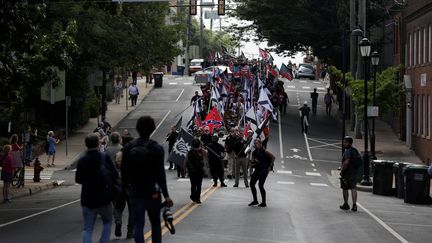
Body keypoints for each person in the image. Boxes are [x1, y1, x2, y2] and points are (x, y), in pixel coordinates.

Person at [121, 116, 173, 243]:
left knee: (138, 223)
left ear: (137, 129)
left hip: (136, 190)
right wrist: (166, 195)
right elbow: (161, 174)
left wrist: (126, 187)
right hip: (152, 192)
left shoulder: (128, 148)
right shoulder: (157, 148)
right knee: (155, 223)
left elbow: (123, 171)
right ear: (153, 129)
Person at [75, 133, 118, 243]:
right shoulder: (104, 157)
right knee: (107, 222)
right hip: (104, 197)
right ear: (98, 143)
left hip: (87, 198)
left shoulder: (82, 160)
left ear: (86, 144)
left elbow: (78, 179)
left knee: (87, 228)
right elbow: (114, 174)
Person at [249, 139, 275, 207]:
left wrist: (270, 166)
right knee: (252, 184)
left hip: (264, 170)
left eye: (257, 143)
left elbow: (273, 157)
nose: (256, 144)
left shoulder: (265, 151)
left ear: (260, 144)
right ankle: (255, 200)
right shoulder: (254, 152)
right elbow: (252, 161)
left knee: (260, 185)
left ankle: (264, 202)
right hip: (257, 169)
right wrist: (252, 163)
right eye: (255, 143)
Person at [339, 136, 362, 212]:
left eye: (345, 142)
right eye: (344, 142)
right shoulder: (354, 150)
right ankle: (354, 205)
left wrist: (342, 170)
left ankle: (346, 204)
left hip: (347, 173)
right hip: (354, 172)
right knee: (353, 188)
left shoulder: (348, 151)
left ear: (349, 143)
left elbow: (346, 162)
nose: (344, 143)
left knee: (345, 188)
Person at [185, 139, 205, 203]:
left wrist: (184, 170)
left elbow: (185, 161)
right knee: (198, 185)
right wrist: (202, 146)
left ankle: (194, 196)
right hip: (197, 170)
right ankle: (197, 198)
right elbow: (207, 153)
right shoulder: (201, 151)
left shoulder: (190, 151)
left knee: (193, 185)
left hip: (192, 171)